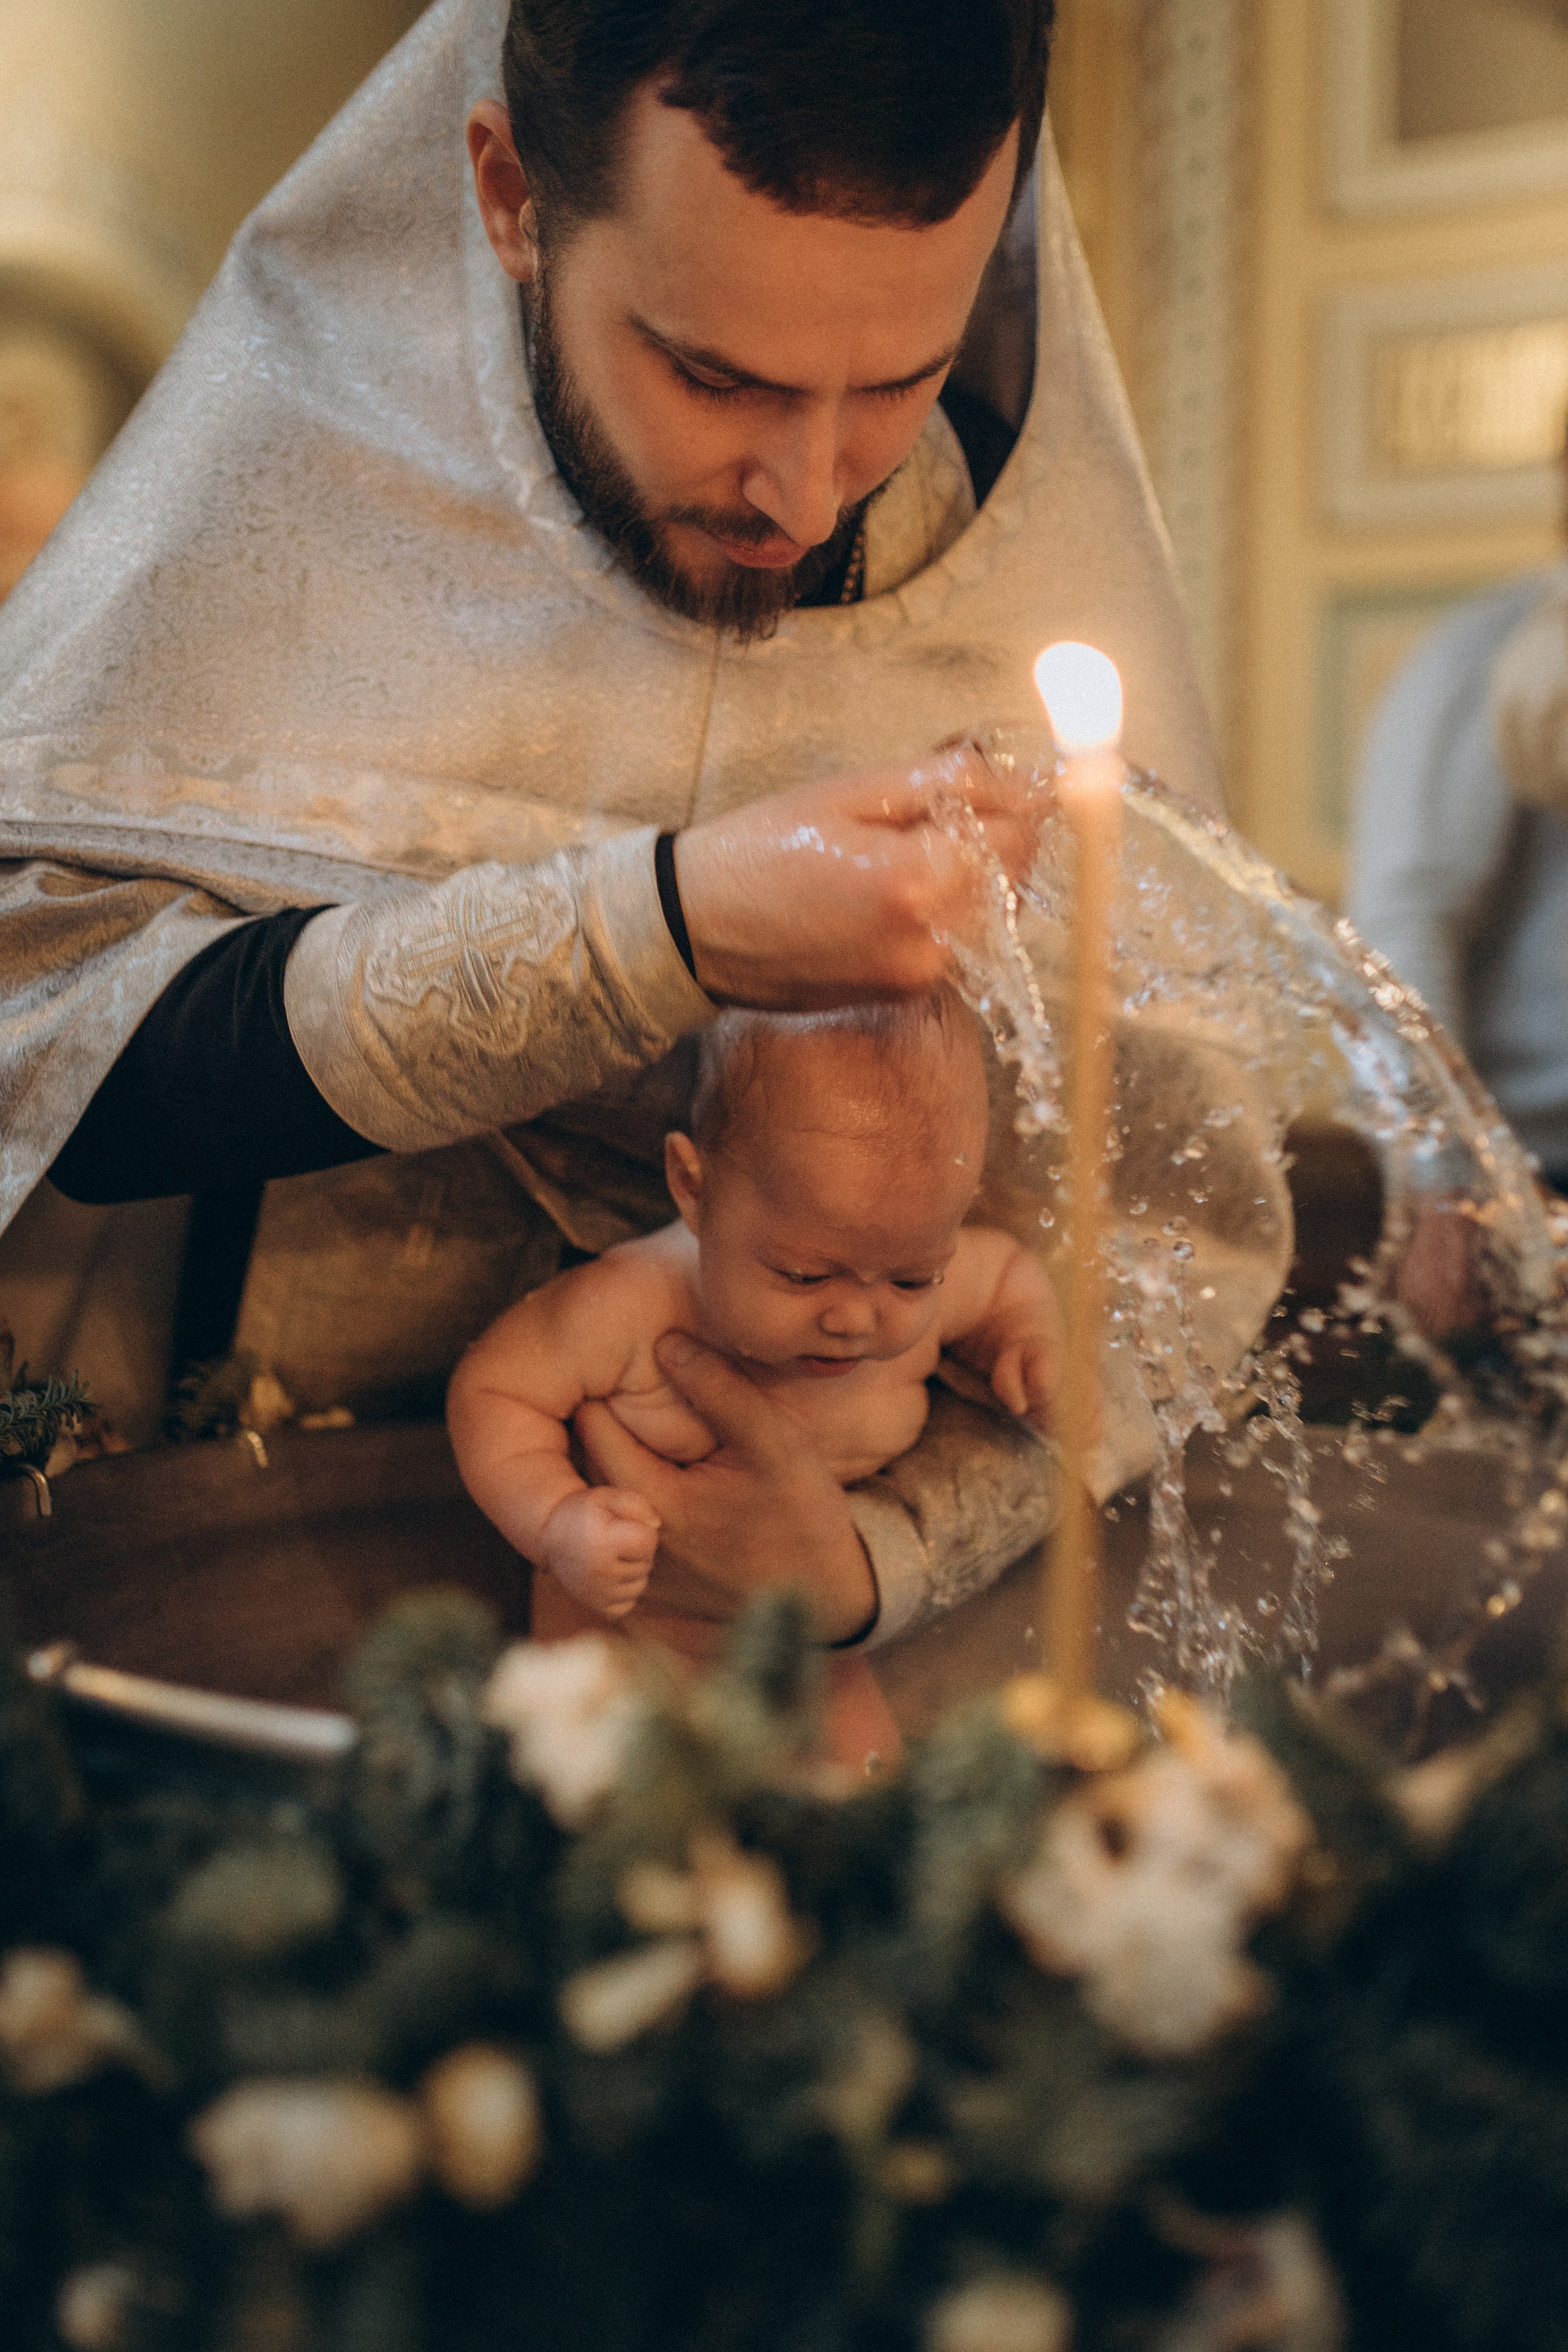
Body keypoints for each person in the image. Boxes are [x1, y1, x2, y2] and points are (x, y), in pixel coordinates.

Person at [0, 0, 1224, 1659]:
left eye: (899, 382)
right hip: (271, 1556)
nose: (807, 492)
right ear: (512, 194)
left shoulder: (1009, 580)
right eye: (714, 373)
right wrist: (666, 927)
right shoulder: (284, 506)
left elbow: (1164, 1246)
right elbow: (51, 1051)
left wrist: (872, 1557)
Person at [447, 996, 1061, 1765]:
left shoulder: (923, 1277)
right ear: (693, 1188)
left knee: (865, 1792)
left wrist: (1028, 1343)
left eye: (911, 1279)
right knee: (592, 1788)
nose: (855, 1319)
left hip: (802, 1634)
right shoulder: (632, 1305)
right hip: (626, 1631)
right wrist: (556, 1520)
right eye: (804, 1275)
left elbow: (1005, 1274)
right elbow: (494, 1390)